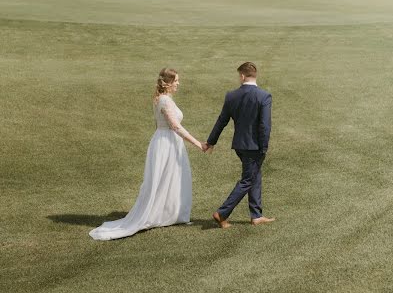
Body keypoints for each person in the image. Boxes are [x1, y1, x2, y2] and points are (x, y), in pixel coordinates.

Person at [89, 68, 204, 240]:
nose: (178, 83)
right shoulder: (164, 100)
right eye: (176, 81)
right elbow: (175, 126)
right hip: (166, 143)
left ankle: (170, 214)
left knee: (172, 178)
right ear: (168, 83)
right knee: (162, 179)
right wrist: (198, 143)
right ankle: (159, 214)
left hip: (168, 142)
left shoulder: (164, 98)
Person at [203, 62, 275, 229]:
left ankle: (256, 215)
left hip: (239, 145)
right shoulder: (264, 96)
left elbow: (222, 121)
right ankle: (222, 213)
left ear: (242, 76)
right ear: (254, 75)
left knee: (254, 175)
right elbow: (265, 125)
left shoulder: (231, 96)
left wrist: (211, 141)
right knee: (248, 179)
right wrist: (264, 147)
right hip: (255, 146)